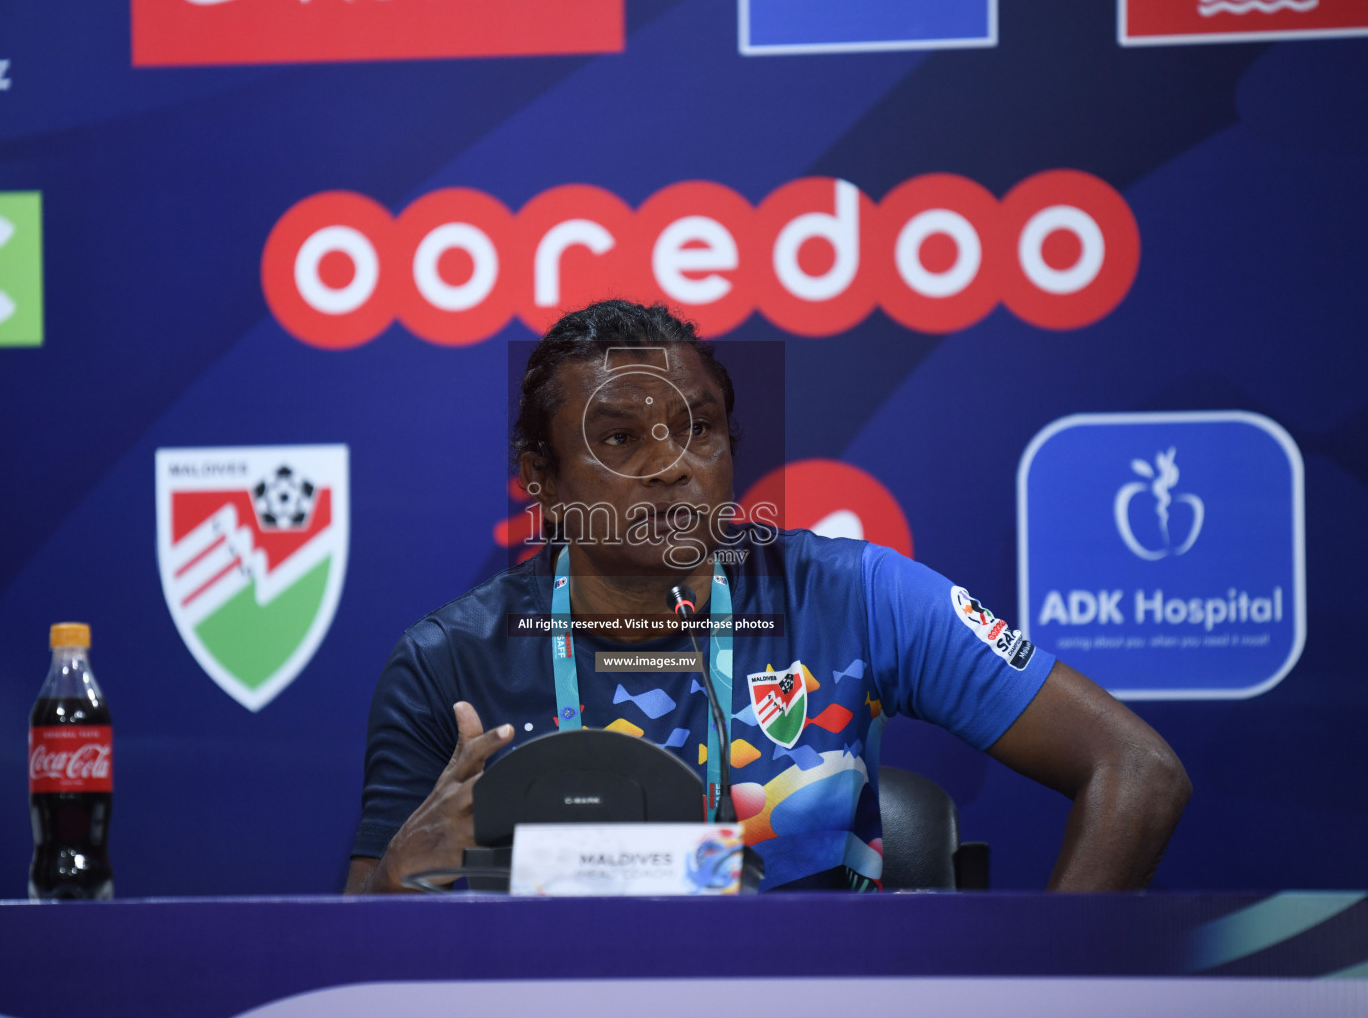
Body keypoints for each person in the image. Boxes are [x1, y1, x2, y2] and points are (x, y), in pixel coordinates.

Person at [345, 300, 1190, 894]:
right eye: (619, 439)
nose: (672, 463)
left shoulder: (854, 595)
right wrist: (396, 879)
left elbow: (1137, 769)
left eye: (698, 429)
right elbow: (351, 951)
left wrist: (1051, 1000)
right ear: (540, 481)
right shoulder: (446, 663)